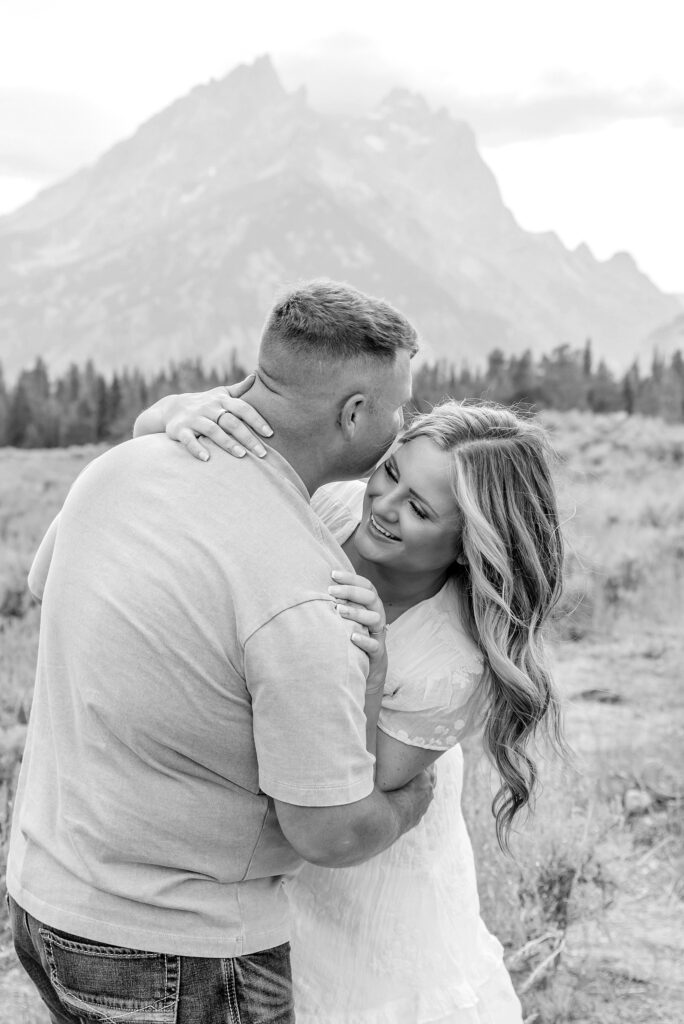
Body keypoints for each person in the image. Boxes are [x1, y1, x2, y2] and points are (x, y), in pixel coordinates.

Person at [6, 280, 437, 1024]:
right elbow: (328, 830)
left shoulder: (120, 468)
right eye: (400, 408)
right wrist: (407, 804)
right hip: (178, 955)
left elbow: (51, 588)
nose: (403, 427)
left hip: (43, 902)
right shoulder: (310, 593)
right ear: (354, 414)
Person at [139, 387, 566, 1023]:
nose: (384, 506)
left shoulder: (450, 664)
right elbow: (176, 461)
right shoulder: (333, 504)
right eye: (390, 473)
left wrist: (371, 675)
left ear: (468, 544)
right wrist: (168, 414)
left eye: (419, 509)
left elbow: (350, 797)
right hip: (276, 822)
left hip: (367, 855)